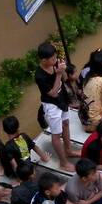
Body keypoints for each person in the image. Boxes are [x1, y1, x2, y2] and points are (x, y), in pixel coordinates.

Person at [34, 42, 74, 171]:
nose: (55, 60)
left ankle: (68, 150)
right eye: (52, 59)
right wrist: (57, 74)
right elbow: (52, 93)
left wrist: (62, 70)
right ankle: (63, 162)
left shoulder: (55, 63)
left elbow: (66, 78)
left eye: (55, 57)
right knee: (56, 134)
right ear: (43, 60)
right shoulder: (39, 75)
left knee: (66, 123)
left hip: (62, 99)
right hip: (51, 104)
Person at [0, 114, 45, 181]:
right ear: (18, 127)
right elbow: (35, 147)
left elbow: (14, 165)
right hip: (29, 166)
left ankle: (1, 169)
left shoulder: (8, 146)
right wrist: (44, 157)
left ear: (5, 130)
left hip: (21, 173)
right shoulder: (24, 136)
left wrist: (19, 179)